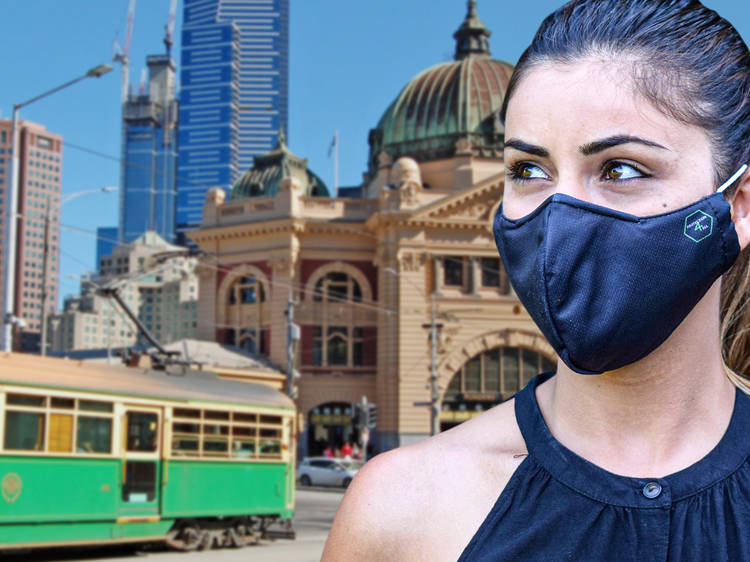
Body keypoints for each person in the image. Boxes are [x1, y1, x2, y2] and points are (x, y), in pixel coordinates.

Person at [323, 1, 750, 560]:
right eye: (529, 170)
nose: (559, 217)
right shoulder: (401, 506)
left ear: (738, 205)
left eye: (620, 169)